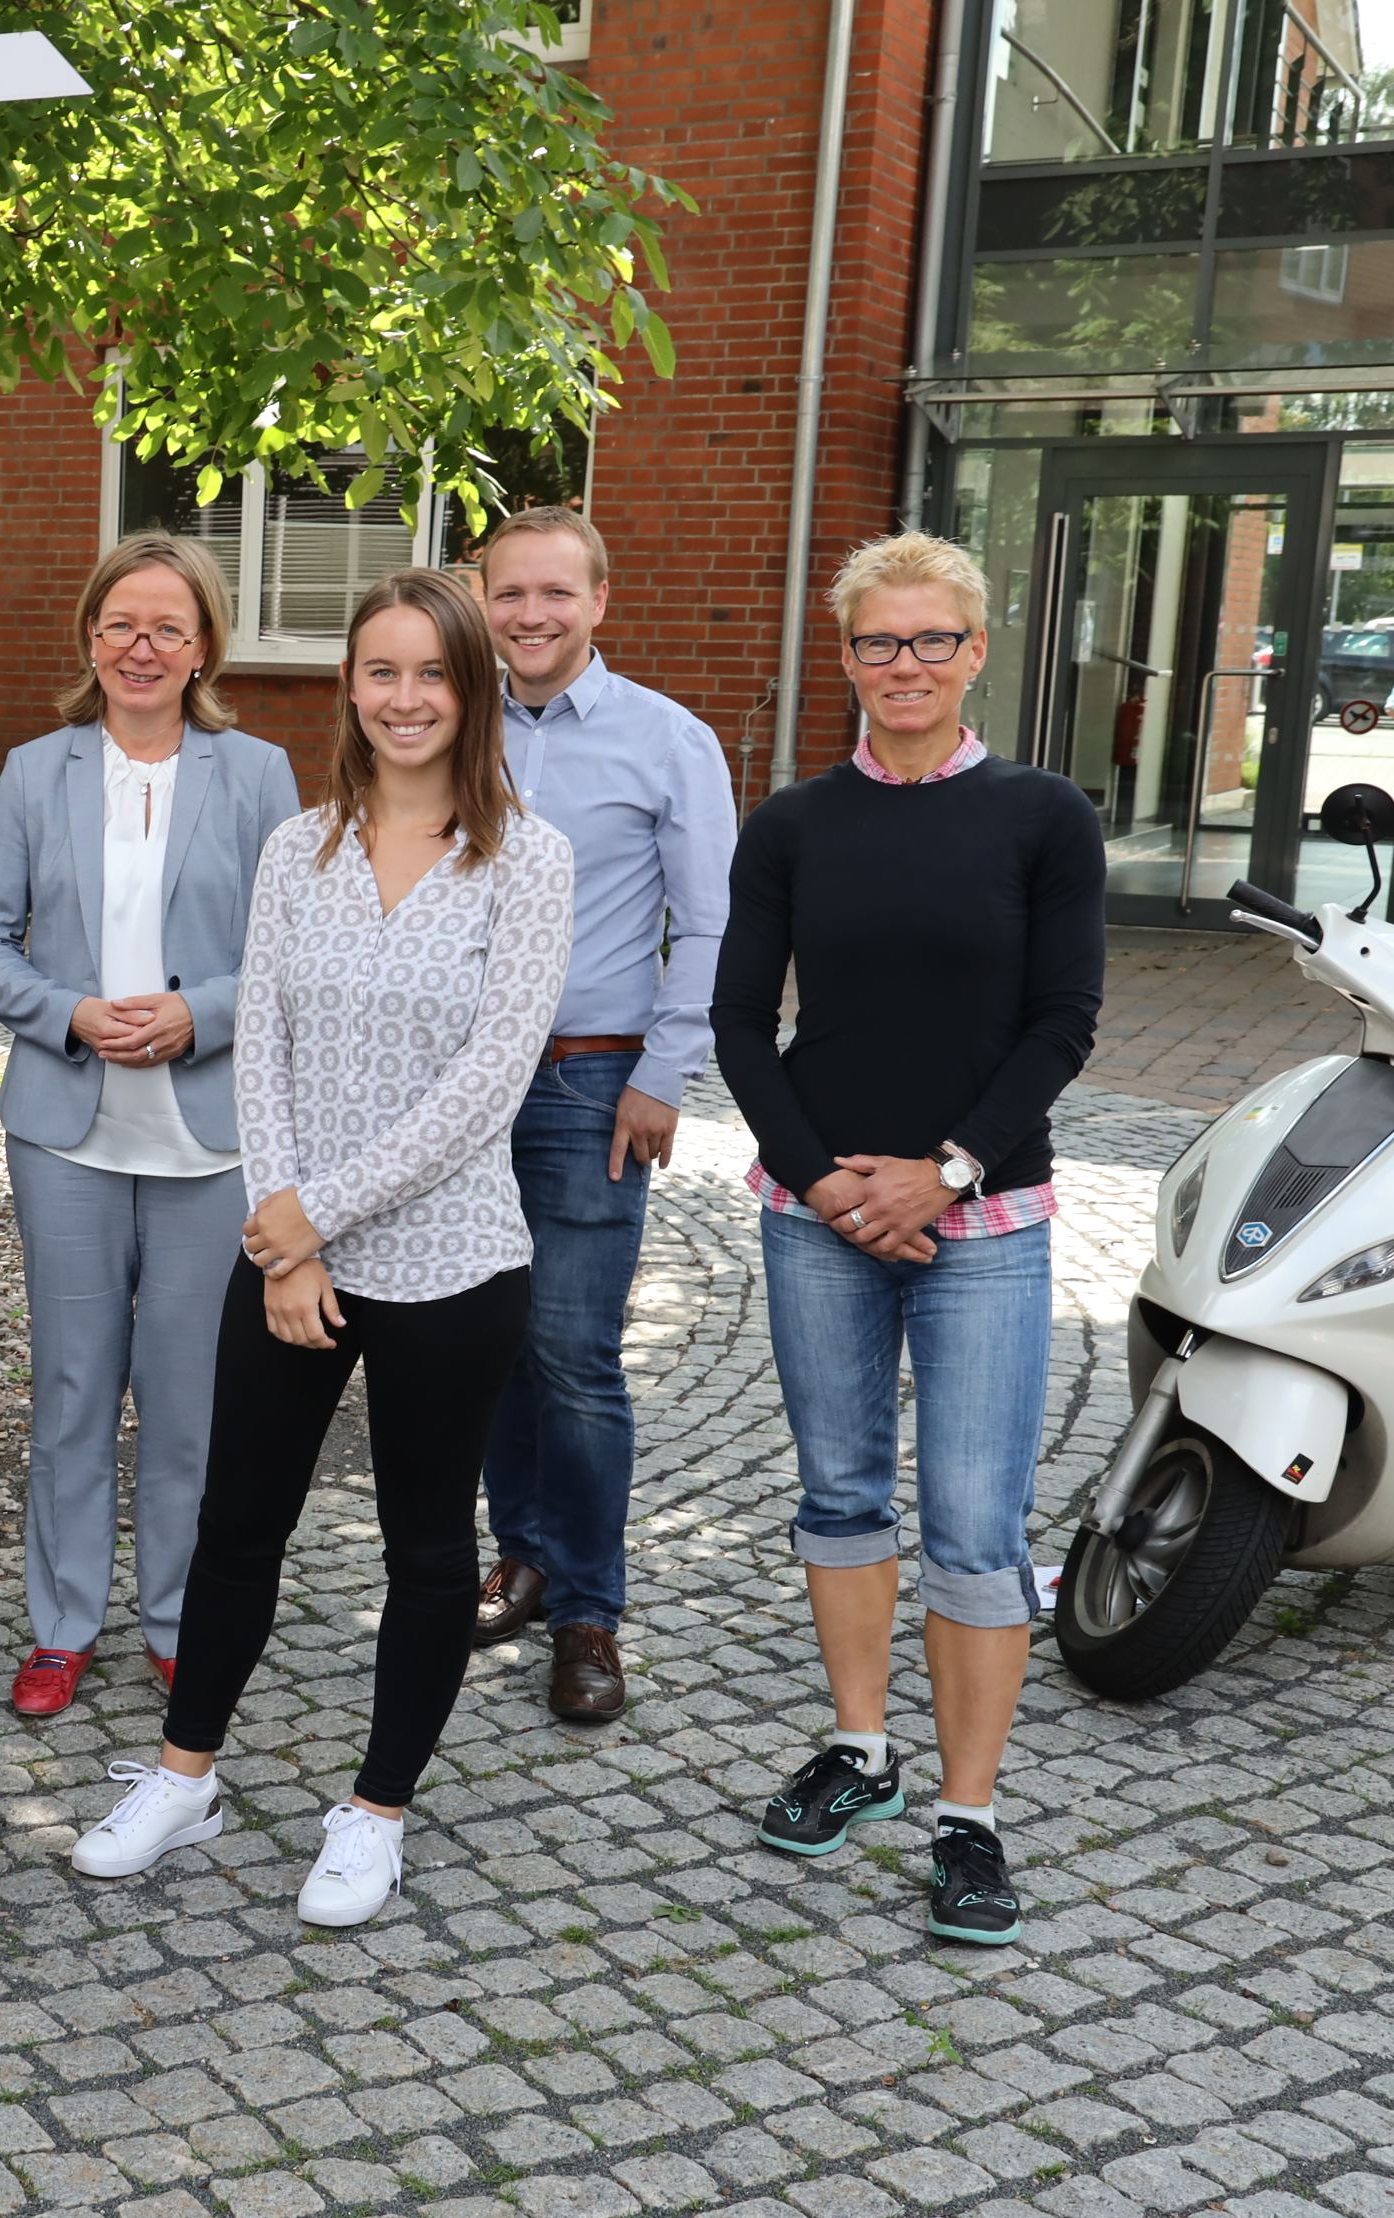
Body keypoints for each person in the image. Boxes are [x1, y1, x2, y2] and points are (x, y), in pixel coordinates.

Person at [68, 567, 570, 1923]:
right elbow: (266, 1055)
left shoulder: (529, 859)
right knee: (238, 1525)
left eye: (433, 672)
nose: (406, 698)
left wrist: (316, 1215)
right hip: (294, 1262)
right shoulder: (301, 848)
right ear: (349, 685)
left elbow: (489, 1082)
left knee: (427, 1546)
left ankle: (376, 1810)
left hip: (454, 1262)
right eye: (381, 671)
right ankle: (185, 1775)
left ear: (473, 688)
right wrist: (289, 1245)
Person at [711, 530, 1102, 1947]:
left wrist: (942, 1174)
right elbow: (737, 1023)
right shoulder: (793, 825)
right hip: (818, 1217)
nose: (907, 664)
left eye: (934, 639)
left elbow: (1063, 1022)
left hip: (983, 1217)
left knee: (979, 1523)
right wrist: (825, 1186)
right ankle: (862, 1748)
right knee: (839, 1491)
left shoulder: (1045, 816)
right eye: (881, 641)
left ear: (977, 651)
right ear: (850, 657)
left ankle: (969, 1818)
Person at [0, 533, 300, 1717]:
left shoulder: (257, 772)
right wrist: (70, 1013)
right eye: (120, 624)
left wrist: (202, 1013)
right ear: (90, 637)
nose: (141, 647)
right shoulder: (32, 770)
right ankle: (62, 1624)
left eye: (167, 627)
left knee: (190, 1399)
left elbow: (289, 950)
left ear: (204, 646)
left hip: (211, 1137)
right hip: (69, 1132)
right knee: (72, 1386)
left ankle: (177, 1620)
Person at [469, 507, 735, 1724]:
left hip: (590, 1083)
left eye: (555, 593)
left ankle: (588, 1609)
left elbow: (712, 924)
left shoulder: (668, 741)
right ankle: (520, 1553)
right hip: (460, 1085)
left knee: (573, 1352)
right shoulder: (448, 719)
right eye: (510, 592)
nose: (531, 614)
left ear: (600, 601)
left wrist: (664, 1072)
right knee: (488, 1339)